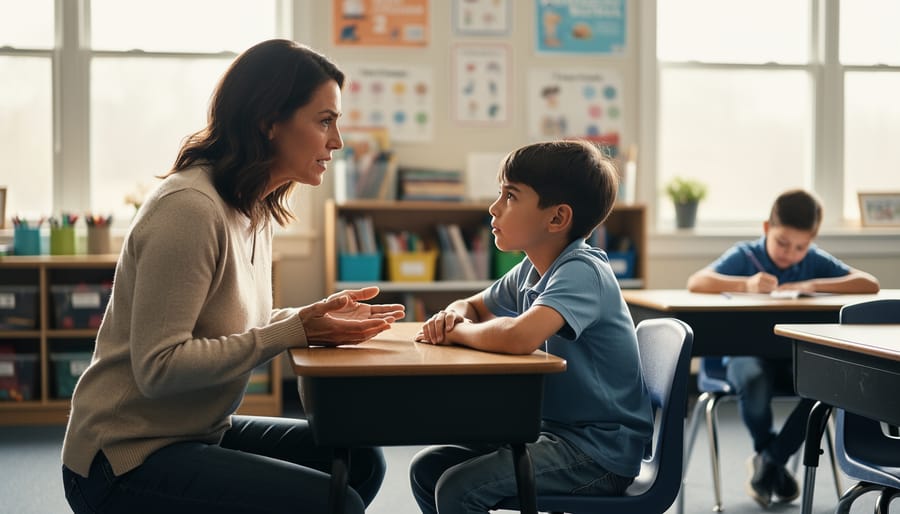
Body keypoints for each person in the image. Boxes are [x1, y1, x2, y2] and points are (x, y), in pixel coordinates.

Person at [61, 39, 405, 514]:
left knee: (362, 461)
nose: (337, 141)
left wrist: (310, 318)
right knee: (335, 503)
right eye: (325, 120)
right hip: (123, 458)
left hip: (198, 430)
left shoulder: (253, 208)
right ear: (269, 122)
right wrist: (292, 330)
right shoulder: (189, 210)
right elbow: (159, 368)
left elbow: (235, 322)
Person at [409, 140, 654, 514]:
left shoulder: (582, 271)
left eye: (510, 196)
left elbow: (520, 337)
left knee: (458, 488)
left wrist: (457, 331)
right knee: (427, 470)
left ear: (556, 219)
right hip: (549, 433)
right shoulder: (532, 268)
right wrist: (452, 315)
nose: (494, 208)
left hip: (597, 454)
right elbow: (474, 305)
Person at [686, 188, 879, 508]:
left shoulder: (814, 262)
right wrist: (744, 284)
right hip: (745, 357)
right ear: (766, 229)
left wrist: (811, 284)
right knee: (752, 379)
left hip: (794, 360)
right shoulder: (746, 256)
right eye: (782, 243)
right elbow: (697, 281)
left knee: (827, 386)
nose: (790, 253)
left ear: (813, 240)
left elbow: (868, 283)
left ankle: (769, 461)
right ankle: (770, 458)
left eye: (801, 246)